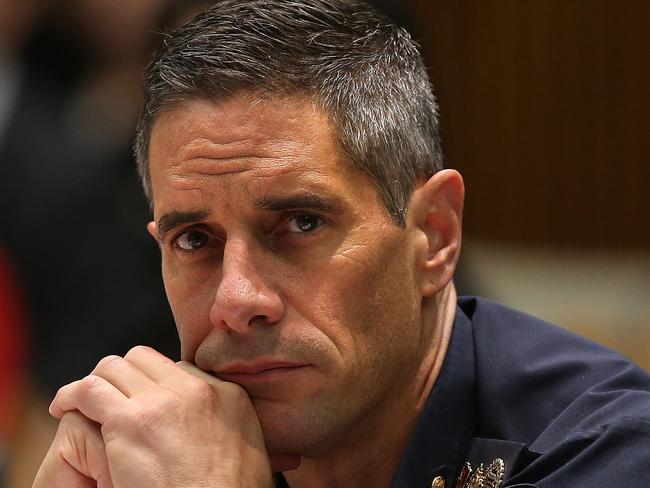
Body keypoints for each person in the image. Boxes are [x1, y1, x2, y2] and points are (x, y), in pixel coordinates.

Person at [33, 1, 650, 487]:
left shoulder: (605, 453)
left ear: (434, 234)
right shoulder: (155, 447)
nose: (236, 299)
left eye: (301, 224)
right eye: (195, 239)